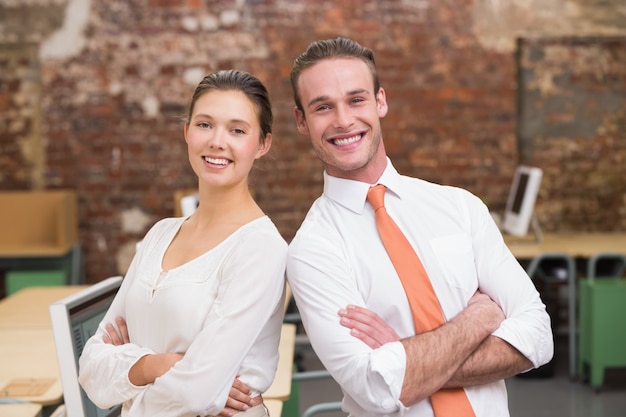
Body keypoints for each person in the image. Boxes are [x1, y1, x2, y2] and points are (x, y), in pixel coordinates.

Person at [285, 37, 554, 417]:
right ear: (301, 121)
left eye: (356, 99)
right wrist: (478, 319)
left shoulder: (460, 207)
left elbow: (538, 338)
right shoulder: (312, 249)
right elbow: (377, 388)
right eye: (323, 107)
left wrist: (409, 358)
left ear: (380, 101)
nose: (343, 120)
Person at [78, 69, 287, 417]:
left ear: (263, 144)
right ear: (187, 132)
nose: (217, 141)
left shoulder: (261, 248)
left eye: (237, 130)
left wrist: (128, 375)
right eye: (205, 124)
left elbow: (194, 396)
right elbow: (89, 367)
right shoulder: (160, 234)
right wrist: (154, 365)